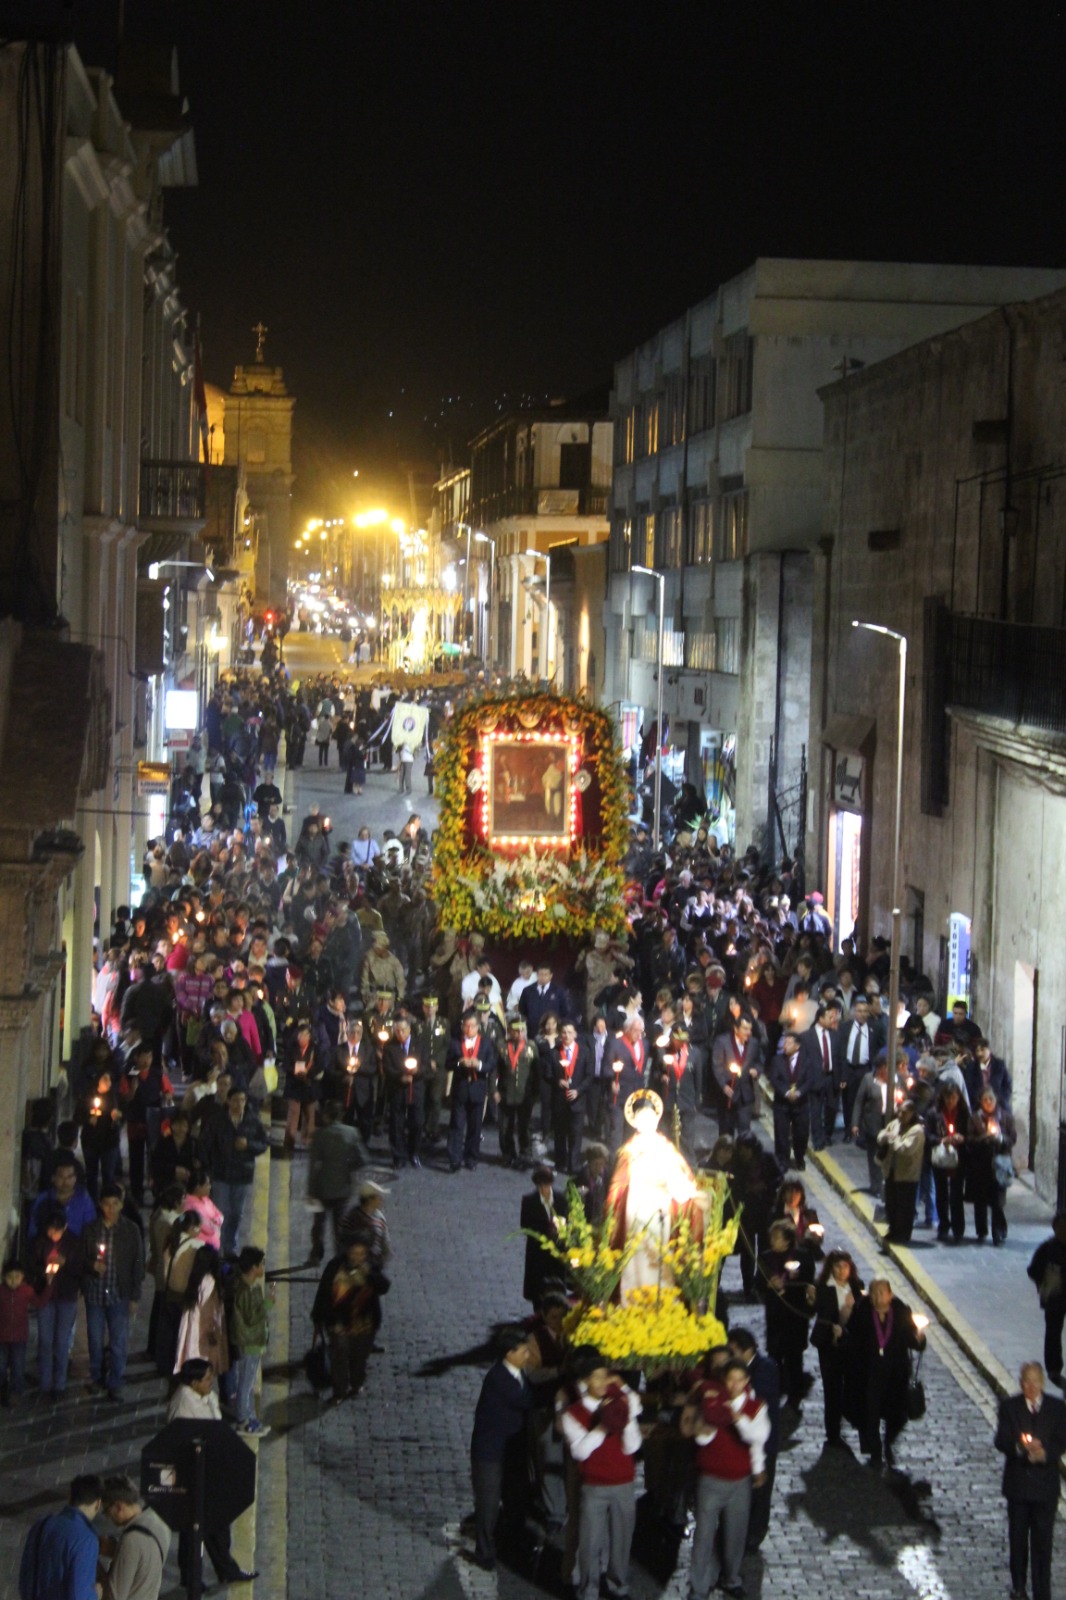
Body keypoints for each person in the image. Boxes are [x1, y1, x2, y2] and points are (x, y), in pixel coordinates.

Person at [558, 1350, 642, 1600]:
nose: (604, 1382)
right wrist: (604, 1426)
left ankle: (618, 1585)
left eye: (606, 1376)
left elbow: (632, 1446)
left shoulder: (619, 1404)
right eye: (597, 1377)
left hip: (624, 1483)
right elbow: (580, 1451)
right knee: (590, 1542)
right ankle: (588, 1590)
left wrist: (624, 1419)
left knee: (622, 1540)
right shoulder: (573, 1413)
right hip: (593, 1486)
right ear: (585, 1381)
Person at [685, 1358, 771, 1600]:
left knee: (735, 1534)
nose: (734, 1385)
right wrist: (710, 1415)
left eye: (739, 1380)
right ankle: (699, 1587)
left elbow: (757, 1438)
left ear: (746, 1382)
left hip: (739, 1481)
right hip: (710, 1479)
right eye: (730, 1379)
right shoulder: (712, 1402)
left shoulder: (755, 1406)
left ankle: (731, 1578)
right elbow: (701, 1438)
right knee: (703, 1535)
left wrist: (736, 1417)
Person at [166, 1360, 257, 1586]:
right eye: (207, 1379)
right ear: (194, 1383)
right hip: (196, 1475)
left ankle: (220, 1570)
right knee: (198, 1528)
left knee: (211, 1526)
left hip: (209, 1472)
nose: (211, 1382)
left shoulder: (203, 1396)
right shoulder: (185, 1405)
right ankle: (197, 1576)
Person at [995, 1361, 1066, 1600]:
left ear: (1042, 1383)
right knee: (1017, 1540)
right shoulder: (1010, 1407)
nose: (1031, 1387)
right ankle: (1019, 1587)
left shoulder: (1057, 1408)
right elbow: (1001, 1440)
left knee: (1043, 1543)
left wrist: (1045, 1453)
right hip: (1018, 1487)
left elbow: (1062, 1440)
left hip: (1045, 1489)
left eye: (1035, 1381)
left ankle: (1042, 1592)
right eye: (1026, 1381)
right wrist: (1020, 1447)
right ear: (1021, 1382)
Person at [468, 1326, 536, 1573]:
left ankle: (510, 1543)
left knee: (515, 1498)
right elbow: (527, 1400)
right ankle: (484, 1552)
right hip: (491, 1453)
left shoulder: (517, 1374)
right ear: (509, 1353)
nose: (528, 1354)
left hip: (511, 1450)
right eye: (524, 1350)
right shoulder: (499, 1378)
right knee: (488, 1503)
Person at [845, 1277, 926, 1467]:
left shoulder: (901, 1312)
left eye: (882, 1292)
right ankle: (875, 1451)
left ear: (890, 1295)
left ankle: (889, 1442)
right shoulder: (862, 1311)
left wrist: (920, 1337)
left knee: (895, 1414)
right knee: (871, 1413)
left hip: (895, 1374)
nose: (877, 1296)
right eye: (874, 1292)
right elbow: (852, 1339)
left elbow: (913, 1341)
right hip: (870, 1374)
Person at [81, 1184, 144, 1401]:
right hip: (95, 1293)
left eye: (115, 1204)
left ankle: (116, 1379)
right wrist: (92, 1266)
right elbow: (81, 1257)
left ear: (121, 1204)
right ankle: (96, 1376)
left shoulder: (131, 1230)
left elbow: (138, 1263)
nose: (111, 1209)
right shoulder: (91, 1230)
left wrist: (135, 1295)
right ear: (100, 1205)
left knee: (118, 1340)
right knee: (95, 1339)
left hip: (119, 1293)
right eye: (107, 1204)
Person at [727, 1327, 781, 1551]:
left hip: (763, 1441)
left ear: (747, 1350)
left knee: (760, 1493)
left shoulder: (765, 1368)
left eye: (733, 1351)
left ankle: (754, 1534)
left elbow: (757, 1401)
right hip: (744, 1441)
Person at [198, 1086, 268, 1254]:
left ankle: (230, 1246)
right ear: (228, 1101)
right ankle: (217, 1246)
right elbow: (205, 1143)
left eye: (242, 1100)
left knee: (236, 1213)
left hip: (242, 1175)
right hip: (221, 1174)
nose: (239, 1104)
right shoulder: (217, 1120)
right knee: (221, 1212)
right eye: (235, 1100)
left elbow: (264, 1143)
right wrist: (208, 1166)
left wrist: (248, 1145)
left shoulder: (252, 1120)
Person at [18, 1473, 103, 1600]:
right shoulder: (87, 1539)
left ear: (70, 1497)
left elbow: (25, 1577)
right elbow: (79, 1595)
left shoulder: (41, 1524)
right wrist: (95, 1594)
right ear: (98, 1503)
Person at [810, 1249, 863, 1446]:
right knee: (831, 1388)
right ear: (831, 1268)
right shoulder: (822, 1287)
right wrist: (810, 1299)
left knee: (850, 1385)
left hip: (850, 1343)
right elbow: (813, 1311)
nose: (842, 1271)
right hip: (828, 1344)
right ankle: (832, 1432)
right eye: (837, 1266)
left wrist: (852, 1310)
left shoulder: (856, 1287)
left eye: (845, 1266)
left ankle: (850, 1416)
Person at [307, 1101, 368, 1262]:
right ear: (341, 1115)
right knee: (340, 1226)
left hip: (321, 1188)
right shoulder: (352, 1132)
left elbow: (313, 1165)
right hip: (343, 1188)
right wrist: (348, 1168)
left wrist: (310, 1190)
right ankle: (340, 1257)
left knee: (318, 1224)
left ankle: (316, 1254)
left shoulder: (319, 1134)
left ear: (326, 1115)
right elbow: (363, 1159)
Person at [99, 1475, 170, 1600]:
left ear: (119, 1507)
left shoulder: (130, 1541)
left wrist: (96, 1567)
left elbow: (114, 1596)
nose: (108, 1517)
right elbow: (143, 1561)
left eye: (107, 1511)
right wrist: (116, 1551)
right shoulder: (160, 1523)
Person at [230, 1246, 272, 1436]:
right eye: (261, 1263)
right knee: (246, 1384)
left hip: (254, 1342)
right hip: (250, 1343)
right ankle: (243, 1421)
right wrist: (268, 1303)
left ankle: (251, 1417)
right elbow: (252, 1317)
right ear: (253, 1267)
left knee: (249, 1383)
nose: (263, 1267)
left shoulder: (249, 1286)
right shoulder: (245, 1290)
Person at [447, 1010, 496, 1173]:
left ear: (478, 1027)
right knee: (456, 1125)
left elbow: (491, 1064)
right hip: (460, 1088)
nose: (468, 1029)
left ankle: (471, 1158)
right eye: (466, 1026)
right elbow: (448, 1063)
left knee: (475, 1127)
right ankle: (454, 1159)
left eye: (472, 1026)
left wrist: (479, 1065)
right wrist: (459, 1063)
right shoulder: (455, 1042)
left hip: (477, 1088)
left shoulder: (486, 1043)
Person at [967, 1086, 1016, 1245]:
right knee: (980, 1200)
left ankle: (998, 1232)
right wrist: (985, 1137)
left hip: (999, 1164)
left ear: (996, 1100)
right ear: (981, 1102)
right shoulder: (975, 1118)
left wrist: (1000, 1138)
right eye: (985, 1100)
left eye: (991, 1099)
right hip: (981, 1165)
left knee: (997, 1201)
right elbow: (970, 1140)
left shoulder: (1006, 1117)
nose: (988, 1102)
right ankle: (981, 1231)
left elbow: (1012, 1138)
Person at [876, 1098, 925, 1244]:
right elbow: (882, 1135)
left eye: (904, 1113)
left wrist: (893, 1139)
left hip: (907, 1175)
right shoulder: (896, 1123)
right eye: (900, 1112)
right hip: (892, 1171)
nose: (900, 1115)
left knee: (904, 1207)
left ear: (912, 1113)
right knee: (891, 1204)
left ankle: (903, 1234)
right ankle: (893, 1230)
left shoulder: (917, 1130)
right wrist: (886, 1136)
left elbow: (906, 1148)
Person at [768, 1029, 815, 1171]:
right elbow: (774, 1079)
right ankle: (782, 1160)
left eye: (789, 1043)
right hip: (782, 1103)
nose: (785, 1046)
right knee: (781, 1133)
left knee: (801, 1133)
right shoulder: (777, 1060)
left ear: (797, 1046)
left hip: (801, 1104)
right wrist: (786, 1092)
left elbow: (810, 1080)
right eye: (784, 1043)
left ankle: (799, 1158)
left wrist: (799, 1092)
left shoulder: (807, 1060)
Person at [520, 1166, 569, 1304]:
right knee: (538, 1291)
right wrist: (545, 1232)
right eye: (539, 1185)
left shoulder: (561, 1199)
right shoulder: (529, 1201)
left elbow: (568, 1220)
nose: (542, 1189)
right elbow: (525, 1225)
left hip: (557, 1252)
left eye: (545, 1185)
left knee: (557, 1289)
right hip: (538, 1253)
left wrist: (560, 1231)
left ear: (551, 1183)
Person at [1027, 1217, 1066, 1385]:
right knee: (1053, 1333)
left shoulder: (1048, 1247)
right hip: (1055, 1298)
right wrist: (1043, 1280)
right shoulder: (1047, 1249)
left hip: (1056, 1297)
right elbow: (1033, 1270)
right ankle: (1053, 1368)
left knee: (1053, 1332)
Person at [851, 1056, 890, 1200]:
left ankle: (887, 1185)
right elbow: (859, 1102)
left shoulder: (895, 1080)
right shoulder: (868, 1080)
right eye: (886, 1067)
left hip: (889, 1124)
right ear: (880, 1068)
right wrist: (855, 1123)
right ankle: (876, 1186)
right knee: (874, 1156)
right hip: (873, 1125)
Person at [0, 1259, 35, 1405]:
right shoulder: (1, 1291)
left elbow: (39, 1302)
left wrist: (49, 1284)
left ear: (22, 1276)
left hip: (19, 1337)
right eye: (10, 1277)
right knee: (1, 1366)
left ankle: (16, 1391)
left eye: (17, 1277)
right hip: (2, 1337)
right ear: (4, 1277)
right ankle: (2, 1389)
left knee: (18, 1366)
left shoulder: (26, 1291)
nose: (14, 1281)